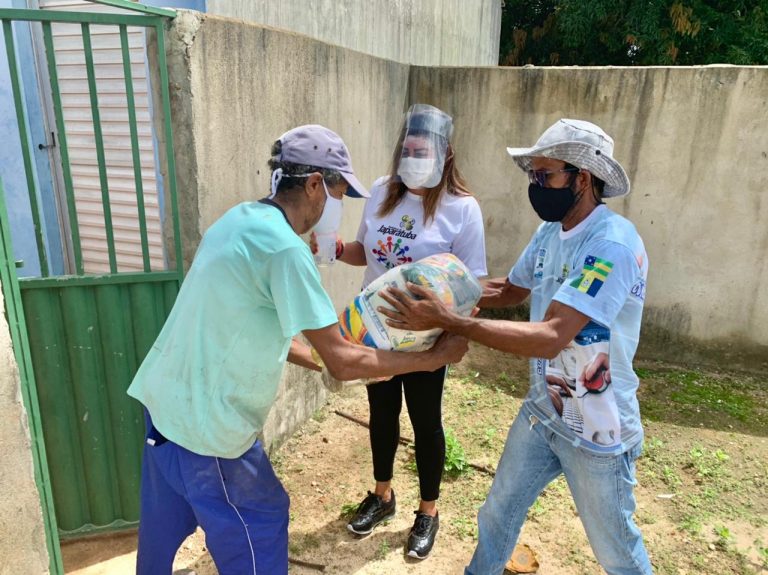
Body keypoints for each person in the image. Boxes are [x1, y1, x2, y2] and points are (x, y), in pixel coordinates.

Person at [126, 124, 469, 575]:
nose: (337, 207)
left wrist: (327, 362)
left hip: (164, 407)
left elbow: (267, 330)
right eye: (339, 194)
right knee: (262, 520)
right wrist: (432, 358)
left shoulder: (238, 219)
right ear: (313, 185)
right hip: (209, 434)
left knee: (161, 531)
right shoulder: (287, 250)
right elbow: (342, 360)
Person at [378, 119, 653, 574]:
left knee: (616, 551)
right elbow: (510, 289)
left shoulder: (611, 245)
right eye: (532, 175)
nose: (535, 185)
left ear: (582, 179)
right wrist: (441, 288)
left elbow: (552, 336)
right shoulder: (551, 232)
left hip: (598, 431)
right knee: (498, 511)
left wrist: (449, 320)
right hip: (545, 409)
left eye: (545, 175)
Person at [329, 104, 487, 559]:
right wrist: (336, 248)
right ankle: (382, 496)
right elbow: (365, 251)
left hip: (424, 339)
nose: (413, 157)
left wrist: (452, 334)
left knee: (424, 420)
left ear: (445, 153)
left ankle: (428, 511)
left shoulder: (462, 209)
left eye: (423, 150)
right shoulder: (382, 191)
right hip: (375, 334)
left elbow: (471, 284)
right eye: (408, 149)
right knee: (381, 413)